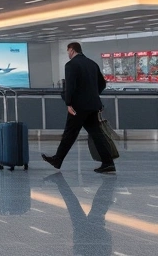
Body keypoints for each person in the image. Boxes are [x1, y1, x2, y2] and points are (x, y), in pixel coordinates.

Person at [42, 42, 116, 174]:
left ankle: (57, 160)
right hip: (93, 105)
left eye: (68, 51)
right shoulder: (92, 63)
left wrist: (68, 103)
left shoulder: (71, 65)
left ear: (71, 50)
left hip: (78, 106)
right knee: (96, 134)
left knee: (69, 133)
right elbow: (102, 84)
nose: (68, 54)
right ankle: (108, 162)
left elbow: (70, 86)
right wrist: (93, 95)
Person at [44, 172, 115, 256]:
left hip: (93, 238)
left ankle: (109, 182)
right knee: (75, 207)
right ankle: (109, 182)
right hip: (86, 237)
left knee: (96, 207)